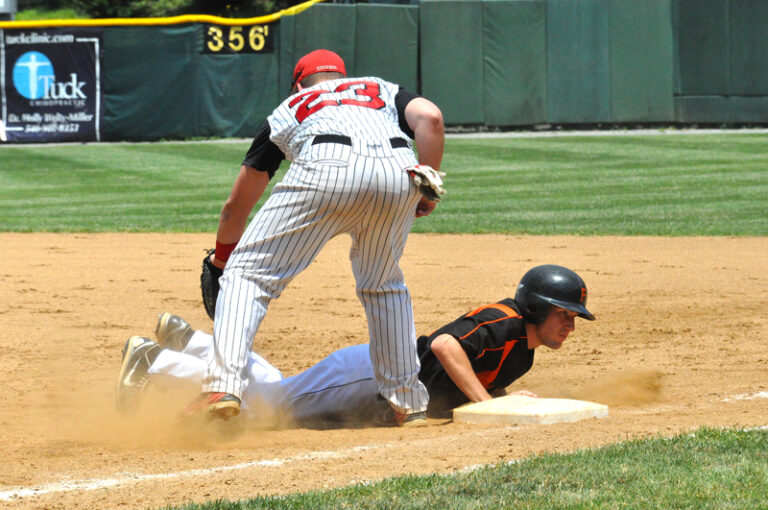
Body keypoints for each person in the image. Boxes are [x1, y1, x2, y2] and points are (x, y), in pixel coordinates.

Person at [192, 49, 445, 427]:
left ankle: (223, 385)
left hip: (326, 167)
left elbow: (236, 206)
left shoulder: (292, 105)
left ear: (298, 83)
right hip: (399, 172)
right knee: (383, 284)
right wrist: (426, 186)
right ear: (344, 77)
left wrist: (225, 259)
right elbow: (431, 118)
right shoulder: (380, 89)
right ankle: (408, 403)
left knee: (248, 275)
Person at [116, 265, 596, 426]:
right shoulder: (504, 321)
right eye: (565, 315)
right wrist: (490, 404)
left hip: (378, 378)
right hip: (374, 376)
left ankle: (192, 343)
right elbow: (448, 345)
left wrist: (503, 400)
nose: (570, 327)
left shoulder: (524, 351)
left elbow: (468, 380)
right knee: (268, 409)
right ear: (535, 308)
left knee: (280, 392)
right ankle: (155, 363)